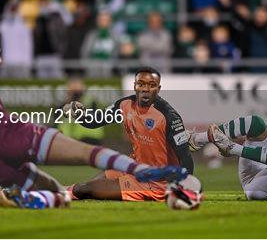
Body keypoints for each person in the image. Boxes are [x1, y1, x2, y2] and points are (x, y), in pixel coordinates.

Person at [0, 28, 187, 209]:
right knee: (83, 163)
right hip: (13, 137)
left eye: (0, 53)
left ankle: (125, 178)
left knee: (65, 189)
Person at [65, 67, 193, 201]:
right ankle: (60, 192)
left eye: (151, 85)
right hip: (136, 167)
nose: (145, 89)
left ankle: (57, 192)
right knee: (91, 184)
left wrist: (184, 189)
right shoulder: (124, 105)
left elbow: (185, 157)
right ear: (135, 86)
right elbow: (95, 121)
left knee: (86, 189)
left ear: (158, 89)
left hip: (156, 183)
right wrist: (79, 115)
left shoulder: (169, 116)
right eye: (141, 84)